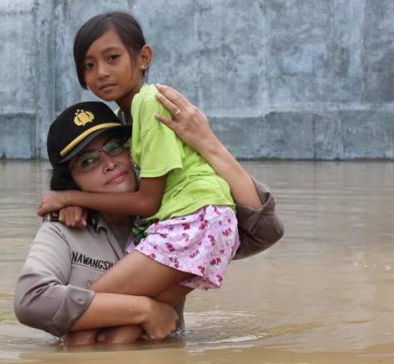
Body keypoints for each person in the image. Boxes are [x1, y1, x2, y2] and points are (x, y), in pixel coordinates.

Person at [35, 11, 243, 343]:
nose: (101, 72)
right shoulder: (126, 115)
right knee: (116, 335)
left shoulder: (150, 103)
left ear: (143, 57)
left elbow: (147, 202)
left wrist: (69, 197)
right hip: (201, 221)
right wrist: (78, 205)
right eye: (88, 66)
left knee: (86, 310)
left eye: (112, 58)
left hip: (192, 220)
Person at [16, 100, 283, 345]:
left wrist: (209, 144)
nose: (109, 164)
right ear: (70, 182)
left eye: (114, 147)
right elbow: (31, 301)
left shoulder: (175, 221)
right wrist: (146, 311)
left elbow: (265, 231)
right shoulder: (63, 229)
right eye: (88, 162)